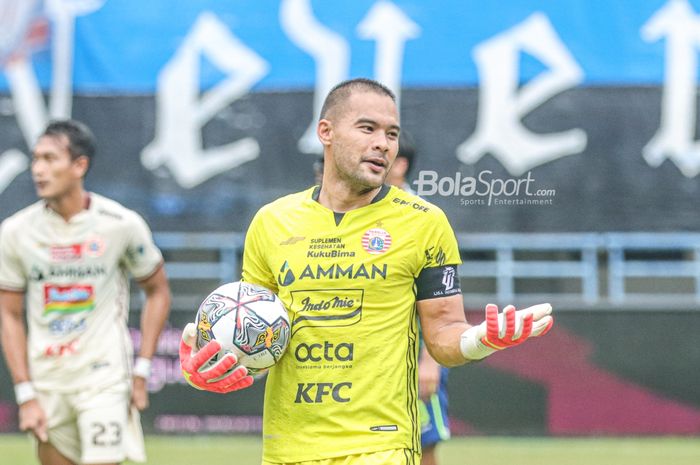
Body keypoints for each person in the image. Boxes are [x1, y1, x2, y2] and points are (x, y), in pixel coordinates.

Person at [179, 78, 553, 464]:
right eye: (367, 128)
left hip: (381, 446)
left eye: (392, 133)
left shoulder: (425, 223)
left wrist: (482, 339)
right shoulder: (271, 223)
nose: (383, 143)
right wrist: (215, 365)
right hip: (287, 447)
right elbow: (258, 340)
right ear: (326, 132)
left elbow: (443, 334)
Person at [0, 119, 171, 465]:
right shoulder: (15, 232)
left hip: (104, 377)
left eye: (50, 159)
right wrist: (25, 393)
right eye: (35, 159)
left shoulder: (120, 224)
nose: (38, 170)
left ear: (80, 165)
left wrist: (141, 370)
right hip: (48, 381)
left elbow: (157, 291)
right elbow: (9, 313)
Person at [387, 131, 449, 465]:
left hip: (416, 353)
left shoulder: (425, 218)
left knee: (424, 445)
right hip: (369, 358)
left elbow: (440, 299)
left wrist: (430, 360)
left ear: (401, 165)